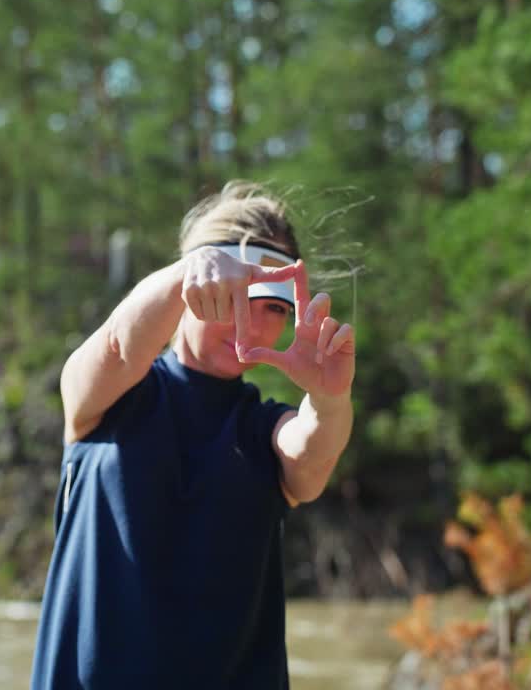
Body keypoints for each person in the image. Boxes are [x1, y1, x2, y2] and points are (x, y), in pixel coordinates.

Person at [30, 181, 356, 689]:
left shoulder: (264, 426)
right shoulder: (111, 398)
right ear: (190, 291)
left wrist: (330, 399)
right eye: (230, 296)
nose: (250, 320)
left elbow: (310, 458)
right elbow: (120, 344)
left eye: (272, 305)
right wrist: (190, 269)